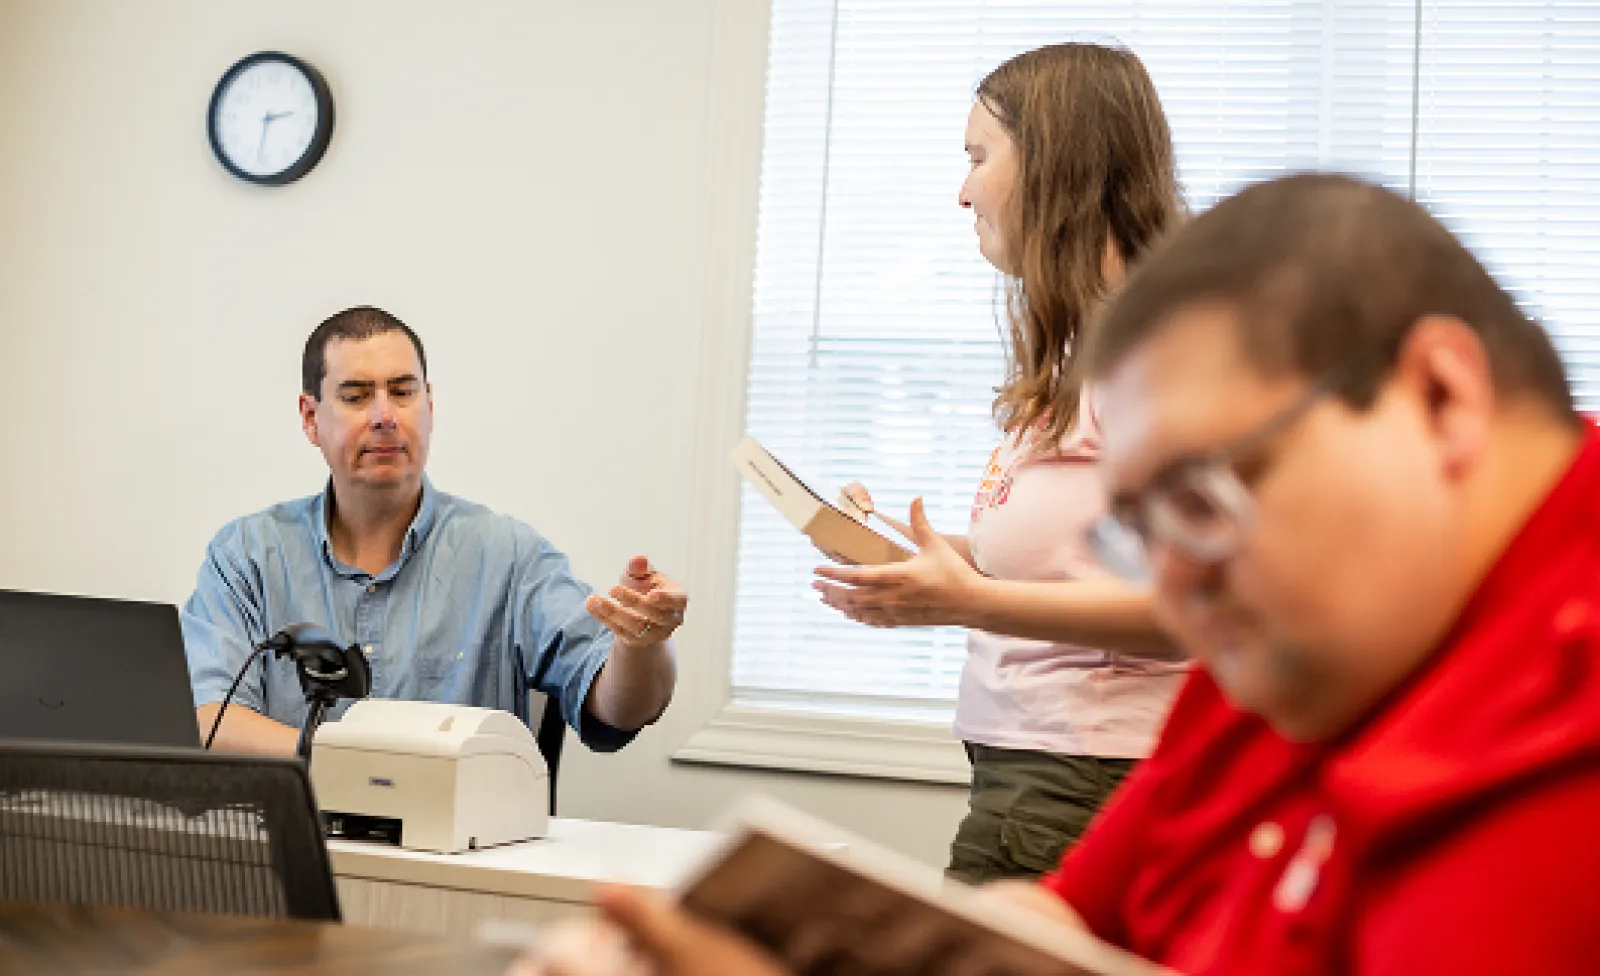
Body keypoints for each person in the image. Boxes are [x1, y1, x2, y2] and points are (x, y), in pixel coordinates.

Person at [515, 173, 1600, 975]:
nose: (1172, 591)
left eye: (1200, 499)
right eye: (1136, 530)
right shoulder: (1288, 645)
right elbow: (1075, 919)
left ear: (1441, 399)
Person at [812, 42, 1187, 884]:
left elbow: (1190, 606)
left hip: (1083, 779)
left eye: (980, 157)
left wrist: (967, 600)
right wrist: (915, 557)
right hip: (1034, 774)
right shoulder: (1081, 352)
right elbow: (1074, 566)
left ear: (1055, 166)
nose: (962, 190)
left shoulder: (1152, 355)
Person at [183, 306, 685, 757]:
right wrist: (367, 769)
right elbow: (209, 717)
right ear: (311, 418)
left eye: (403, 392)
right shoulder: (248, 554)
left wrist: (641, 646)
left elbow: (621, 711)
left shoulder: (506, 554)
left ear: (430, 406)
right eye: (356, 396)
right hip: (299, 847)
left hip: (455, 850)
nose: (384, 417)